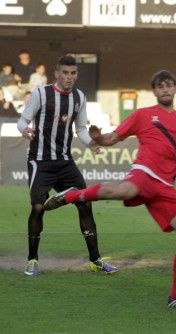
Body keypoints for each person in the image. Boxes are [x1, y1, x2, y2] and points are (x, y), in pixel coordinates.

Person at [44, 69, 176, 308]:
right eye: (160, 86)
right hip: (144, 172)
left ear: (175, 89)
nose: (165, 89)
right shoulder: (142, 115)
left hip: (166, 187)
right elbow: (111, 138)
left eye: (169, 85)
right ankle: (70, 196)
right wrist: (98, 138)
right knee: (126, 191)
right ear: (154, 91)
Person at [16, 55, 117, 277]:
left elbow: (81, 128)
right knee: (38, 207)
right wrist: (24, 129)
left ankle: (95, 260)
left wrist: (92, 143)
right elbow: (23, 120)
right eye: (65, 73)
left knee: (85, 202)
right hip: (40, 161)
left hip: (64, 161)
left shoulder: (79, 97)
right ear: (56, 74)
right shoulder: (41, 94)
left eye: (73, 73)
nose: (69, 77)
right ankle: (32, 260)